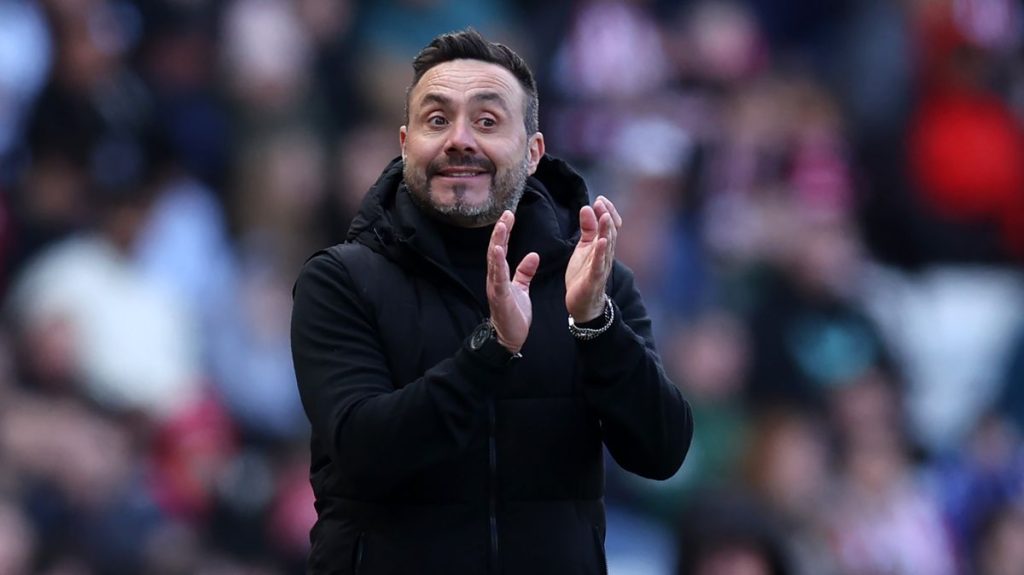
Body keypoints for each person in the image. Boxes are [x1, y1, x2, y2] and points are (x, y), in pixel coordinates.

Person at [290, 28, 693, 574]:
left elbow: (661, 452)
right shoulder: (341, 280)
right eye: (437, 120)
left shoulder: (592, 283)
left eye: (486, 121)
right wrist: (492, 350)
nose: (460, 140)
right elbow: (363, 454)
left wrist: (595, 324)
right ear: (405, 144)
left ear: (533, 152)